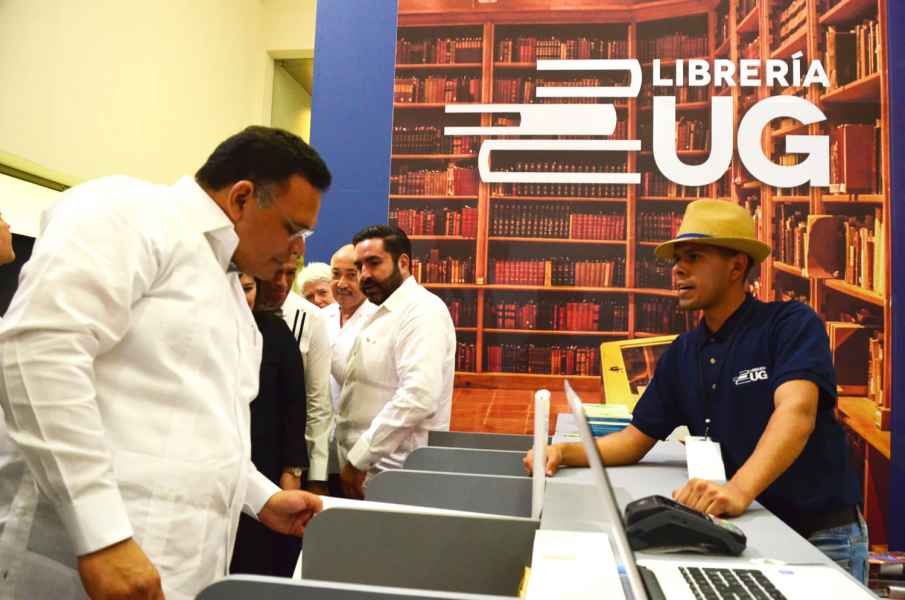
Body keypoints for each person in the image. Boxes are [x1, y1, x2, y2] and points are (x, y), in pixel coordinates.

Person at [0, 126, 329, 600]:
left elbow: (208, 432)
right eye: (293, 229)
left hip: (176, 566)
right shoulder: (130, 213)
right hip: (93, 557)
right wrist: (102, 536)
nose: (298, 248)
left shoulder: (231, 292)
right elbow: (39, 353)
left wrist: (262, 498)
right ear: (241, 198)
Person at [523, 199, 866, 582]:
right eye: (676, 260)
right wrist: (562, 452)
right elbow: (633, 441)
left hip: (820, 536)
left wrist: (738, 490)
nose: (678, 269)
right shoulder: (683, 353)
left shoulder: (790, 324)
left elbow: (796, 413)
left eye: (694, 257)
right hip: (749, 529)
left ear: (737, 267)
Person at [336, 225, 455, 499]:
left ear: (403, 262)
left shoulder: (422, 311)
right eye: (360, 266)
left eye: (374, 263)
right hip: (366, 470)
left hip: (396, 474)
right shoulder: (378, 309)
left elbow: (418, 396)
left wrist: (359, 458)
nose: (365, 274)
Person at [230, 274, 308, 577]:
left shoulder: (274, 331)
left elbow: (295, 407)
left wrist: (292, 471)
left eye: (248, 289)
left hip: (266, 463)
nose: (241, 297)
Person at [256, 239, 332, 496]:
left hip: (279, 455)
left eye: (290, 273)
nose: (282, 283)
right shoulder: (237, 313)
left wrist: (311, 473)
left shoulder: (307, 318)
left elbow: (315, 402)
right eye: (276, 272)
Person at [321, 244, 378, 494]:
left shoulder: (378, 318)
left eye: (351, 275)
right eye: (336, 274)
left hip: (363, 440)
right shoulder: (320, 317)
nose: (342, 283)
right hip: (324, 438)